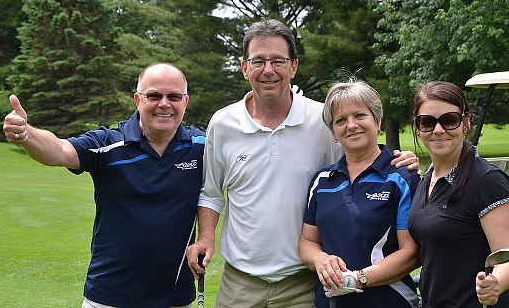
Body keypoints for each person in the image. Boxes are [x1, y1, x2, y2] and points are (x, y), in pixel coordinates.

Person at [186, 18, 419, 307]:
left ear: (293, 66)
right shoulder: (223, 123)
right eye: (258, 61)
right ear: (245, 67)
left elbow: (358, 161)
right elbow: (211, 193)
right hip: (240, 280)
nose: (268, 70)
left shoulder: (322, 120)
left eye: (278, 61)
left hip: (305, 281)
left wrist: (397, 160)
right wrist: (206, 236)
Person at [2, 63, 205, 308]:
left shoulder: (201, 145)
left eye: (173, 96)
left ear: (185, 102)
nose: (164, 103)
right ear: (137, 100)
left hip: (175, 297)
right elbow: (59, 150)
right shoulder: (108, 144)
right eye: (154, 95)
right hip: (109, 295)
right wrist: (26, 133)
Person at [298, 78, 420, 308]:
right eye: (341, 120)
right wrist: (320, 259)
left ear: (378, 121)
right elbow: (307, 241)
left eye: (360, 115)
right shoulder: (322, 181)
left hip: (390, 301)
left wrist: (357, 279)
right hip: (330, 302)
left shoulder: (402, 178)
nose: (351, 125)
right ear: (333, 133)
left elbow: (411, 252)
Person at [407, 81, 509, 307]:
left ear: (466, 122)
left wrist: (495, 284)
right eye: (427, 122)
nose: (438, 130)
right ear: (417, 127)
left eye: (449, 120)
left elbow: (507, 256)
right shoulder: (426, 179)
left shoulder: (487, 180)